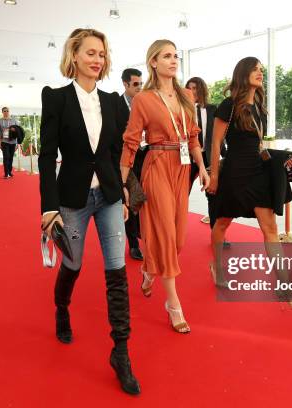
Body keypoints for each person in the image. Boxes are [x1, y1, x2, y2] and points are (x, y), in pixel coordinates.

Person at [38, 28, 140, 395]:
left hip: (109, 197)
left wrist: (125, 193)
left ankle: (121, 352)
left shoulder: (113, 101)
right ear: (75, 56)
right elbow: (47, 156)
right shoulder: (57, 98)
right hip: (72, 200)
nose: (98, 59)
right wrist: (49, 208)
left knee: (117, 271)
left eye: (102, 53)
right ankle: (61, 307)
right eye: (91, 53)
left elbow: (114, 154)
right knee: (73, 263)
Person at [120, 39, 210, 334]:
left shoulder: (186, 95)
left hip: (182, 168)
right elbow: (131, 141)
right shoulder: (143, 99)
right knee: (166, 234)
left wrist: (202, 167)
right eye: (166, 56)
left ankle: (148, 268)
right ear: (153, 63)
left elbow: (194, 137)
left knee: (179, 238)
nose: (173, 61)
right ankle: (173, 304)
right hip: (156, 165)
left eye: (175, 56)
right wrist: (122, 182)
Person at [206, 57, 292, 310]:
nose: (260, 73)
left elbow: (259, 143)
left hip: (258, 172)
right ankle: (217, 268)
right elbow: (216, 143)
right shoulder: (228, 105)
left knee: (270, 228)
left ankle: (285, 289)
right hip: (234, 173)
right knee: (222, 222)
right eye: (255, 69)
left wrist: (282, 157)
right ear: (243, 74)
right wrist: (215, 176)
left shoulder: (260, 107)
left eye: (261, 69)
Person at [185, 76, 226, 226]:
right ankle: (176, 230)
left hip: (208, 156)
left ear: (201, 89)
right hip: (187, 157)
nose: (191, 91)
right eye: (189, 88)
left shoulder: (212, 109)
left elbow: (219, 135)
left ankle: (215, 231)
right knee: (183, 194)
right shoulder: (182, 109)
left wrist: (224, 153)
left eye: (195, 88)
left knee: (213, 194)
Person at [117, 68, 145, 261]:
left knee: (145, 201)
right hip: (125, 161)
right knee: (131, 200)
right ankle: (133, 244)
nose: (139, 87)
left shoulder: (144, 104)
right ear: (125, 84)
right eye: (135, 84)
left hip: (145, 158)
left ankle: (144, 237)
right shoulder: (116, 105)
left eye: (141, 84)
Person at [0, 107, 19, 178]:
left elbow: (18, 131)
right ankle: (6, 173)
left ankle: (10, 171)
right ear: (2, 112)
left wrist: (17, 143)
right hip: (4, 141)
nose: (6, 112)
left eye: (7, 111)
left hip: (13, 141)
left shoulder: (14, 120)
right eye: (4, 111)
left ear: (9, 112)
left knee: (11, 157)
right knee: (6, 157)